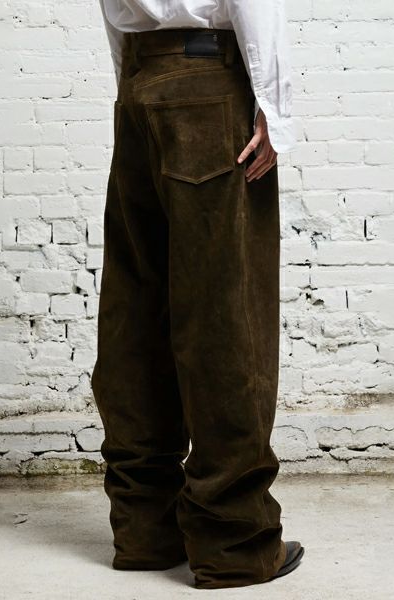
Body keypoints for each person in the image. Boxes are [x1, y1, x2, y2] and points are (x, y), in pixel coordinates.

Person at [91, 0, 304, 590]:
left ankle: (144, 529)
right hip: (211, 89)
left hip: (140, 86)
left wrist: (134, 83)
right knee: (226, 315)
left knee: (135, 313)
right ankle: (233, 542)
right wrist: (274, 109)